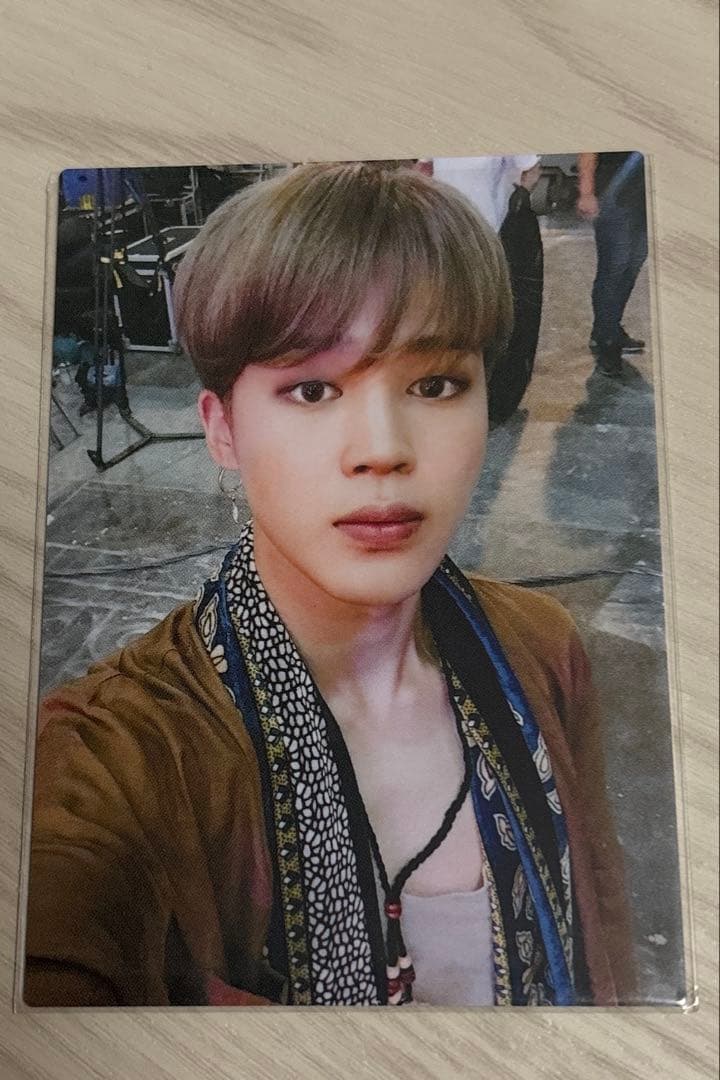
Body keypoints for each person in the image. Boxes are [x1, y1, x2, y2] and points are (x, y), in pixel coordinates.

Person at [25, 162, 634, 1008]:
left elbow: (604, 950)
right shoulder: (113, 760)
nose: (382, 448)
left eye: (434, 384)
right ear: (223, 429)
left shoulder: (542, 651)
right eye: (312, 389)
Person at [577, 152, 648, 377]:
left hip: (644, 196)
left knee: (632, 266)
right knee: (613, 269)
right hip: (613, 194)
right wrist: (586, 192)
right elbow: (589, 148)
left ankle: (608, 329)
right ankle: (608, 342)